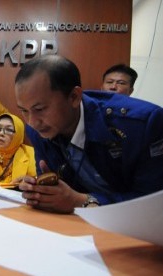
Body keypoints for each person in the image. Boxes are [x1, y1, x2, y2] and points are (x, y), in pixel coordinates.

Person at [14, 55, 163, 214]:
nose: (32, 122)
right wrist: (40, 192)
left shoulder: (142, 124)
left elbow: (153, 203)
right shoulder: (37, 129)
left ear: (74, 97)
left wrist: (81, 201)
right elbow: (54, 185)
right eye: (23, 110)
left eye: (40, 109)